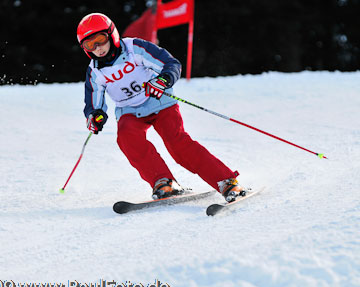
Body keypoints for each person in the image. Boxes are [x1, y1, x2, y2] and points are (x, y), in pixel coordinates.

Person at [76, 13, 245, 202]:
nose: (98, 48)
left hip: (160, 103)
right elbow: (93, 101)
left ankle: (226, 181)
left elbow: (170, 64)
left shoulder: (135, 48)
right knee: (126, 138)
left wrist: (162, 80)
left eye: (100, 39)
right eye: (90, 45)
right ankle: (164, 182)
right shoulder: (95, 70)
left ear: (112, 34)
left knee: (178, 144)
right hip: (130, 111)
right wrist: (95, 116)